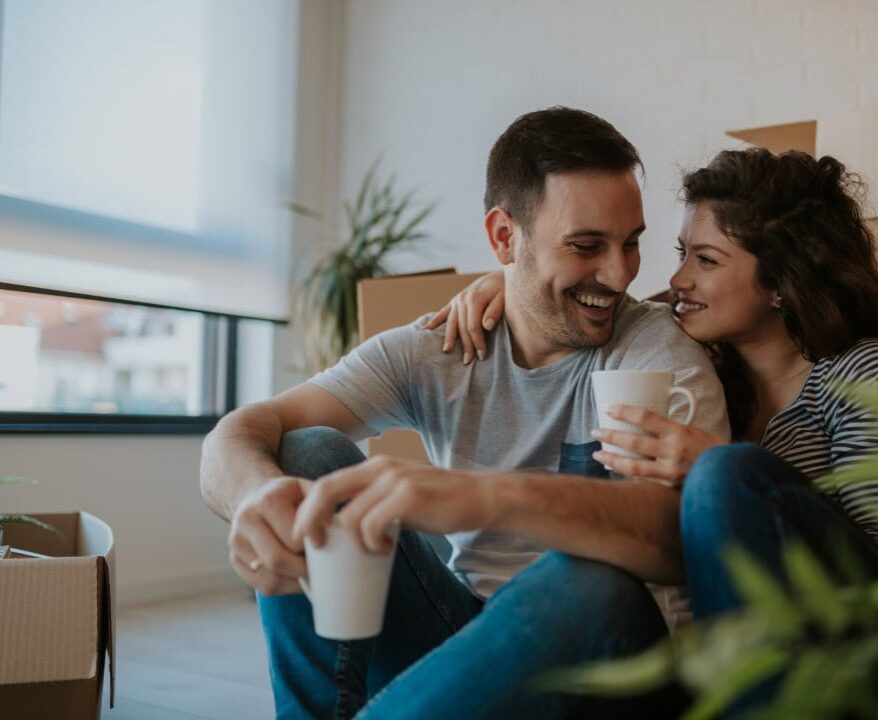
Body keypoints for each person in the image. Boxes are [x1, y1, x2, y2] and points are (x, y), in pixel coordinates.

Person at [200, 106, 729, 720]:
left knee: (592, 586)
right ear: (504, 237)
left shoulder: (654, 352)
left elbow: (681, 540)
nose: (618, 274)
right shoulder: (438, 347)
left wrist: (485, 494)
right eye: (587, 246)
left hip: (601, 659)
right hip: (461, 633)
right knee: (305, 454)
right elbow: (240, 432)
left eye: (631, 243)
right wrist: (253, 499)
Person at [431, 147, 878, 706]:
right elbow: (591, 302)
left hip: (856, 674)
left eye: (706, 261)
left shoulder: (866, 373)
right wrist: (506, 281)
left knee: (726, 473)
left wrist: (730, 480)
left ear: (782, 278)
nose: (678, 278)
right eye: (682, 253)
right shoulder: (702, 357)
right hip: (711, 662)